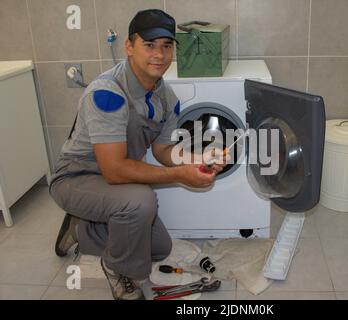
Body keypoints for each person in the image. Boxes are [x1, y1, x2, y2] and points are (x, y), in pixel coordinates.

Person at [49, 9, 225, 300]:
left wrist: (199, 159)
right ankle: (119, 272)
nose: (159, 54)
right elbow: (115, 170)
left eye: (167, 46)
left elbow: (165, 150)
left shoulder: (166, 98)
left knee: (159, 249)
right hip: (76, 178)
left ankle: (82, 229)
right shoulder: (108, 93)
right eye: (150, 45)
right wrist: (179, 175)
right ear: (129, 47)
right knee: (141, 202)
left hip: (114, 183)